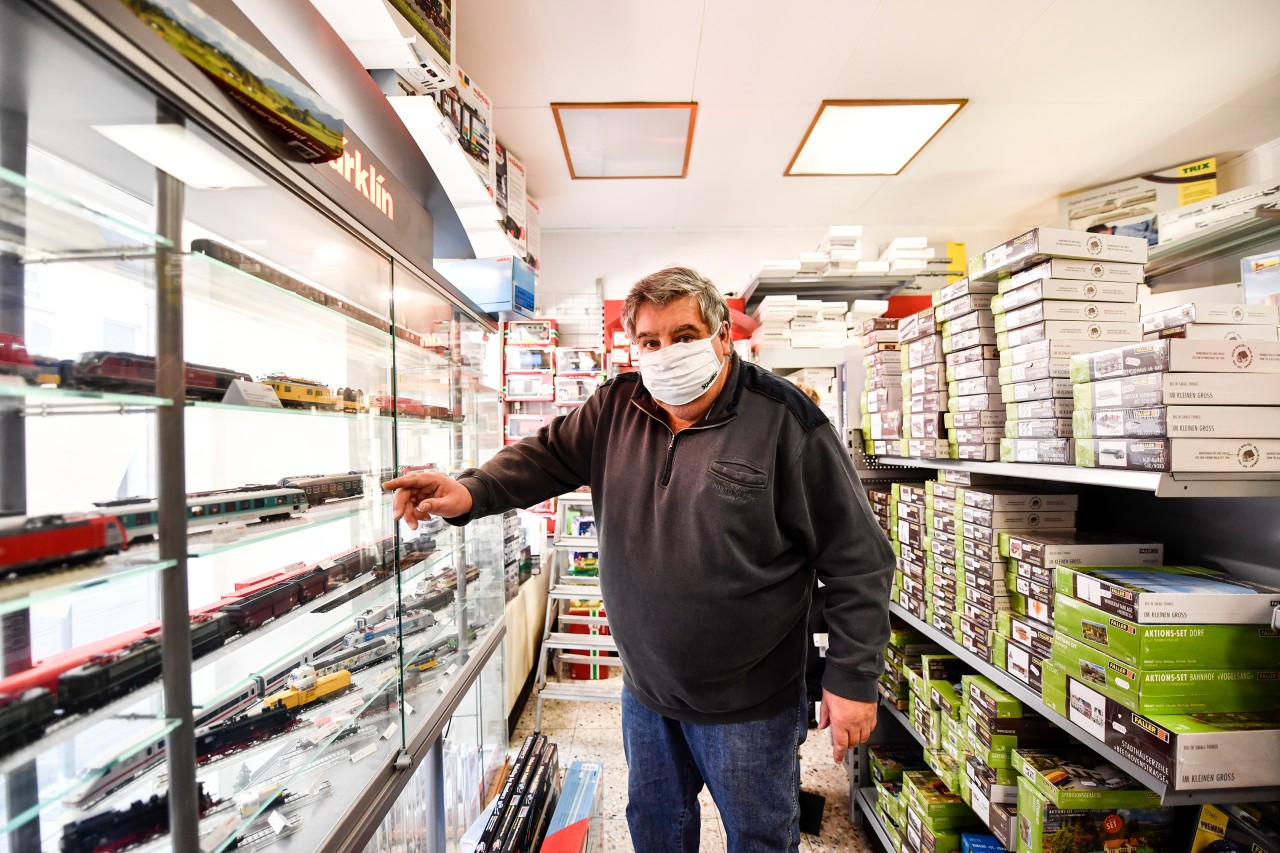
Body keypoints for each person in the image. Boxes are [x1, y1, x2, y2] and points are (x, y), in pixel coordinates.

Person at [384, 267, 894, 852]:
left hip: (751, 704)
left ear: (722, 336)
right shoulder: (616, 407)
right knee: (655, 831)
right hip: (648, 694)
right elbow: (542, 458)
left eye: (684, 336)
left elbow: (860, 560)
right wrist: (470, 491)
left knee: (759, 839)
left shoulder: (786, 423)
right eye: (649, 341)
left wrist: (853, 678)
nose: (666, 353)